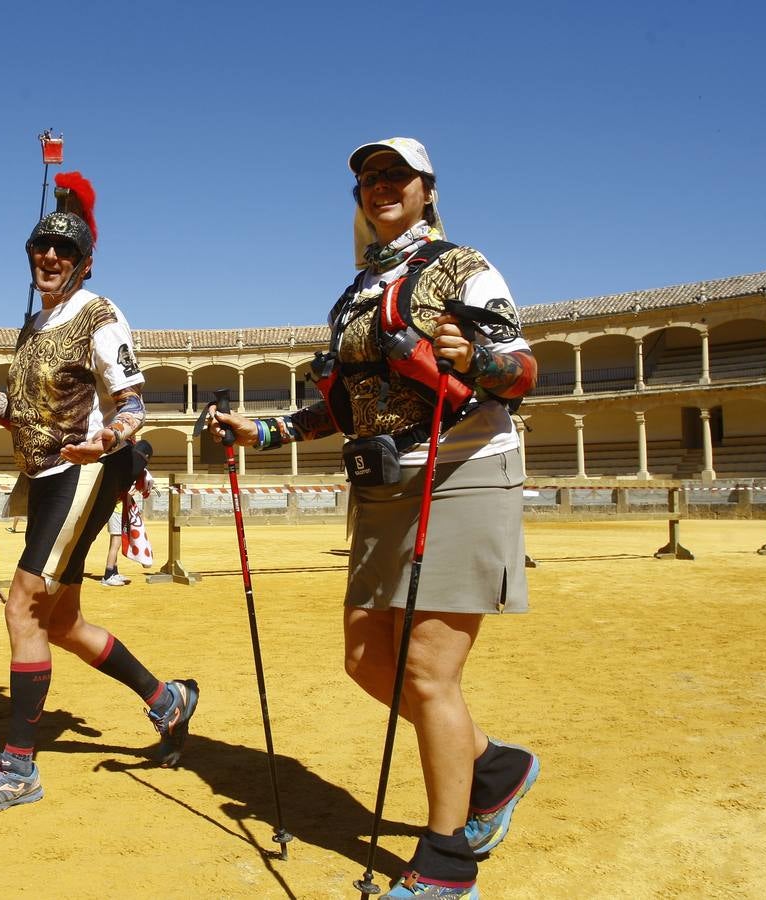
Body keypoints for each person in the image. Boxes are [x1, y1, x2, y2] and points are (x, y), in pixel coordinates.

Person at [210, 138, 539, 899]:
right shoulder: (356, 293)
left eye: (397, 176)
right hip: (384, 484)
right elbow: (340, 401)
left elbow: (520, 369)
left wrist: (470, 359)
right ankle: (492, 766)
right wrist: (263, 433)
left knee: (428, 672)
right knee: (365, 659)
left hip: (460, 471)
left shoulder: (464, 267)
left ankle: (448, 860)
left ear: (428, 189)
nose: (380, 186)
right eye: (368, 178)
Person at [0, 172, 197, 816]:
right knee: (63, 620)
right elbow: (15, 411)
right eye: (40, 246)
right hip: (46, 476)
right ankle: (167, 700)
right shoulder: (35, 326)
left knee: (23, 608)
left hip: (86, 470)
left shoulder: (100, 314)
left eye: (63, 250)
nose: (49, 256)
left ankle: (19, 766)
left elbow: (132, 404)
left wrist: (104, 444)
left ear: (84, 262)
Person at [100, 438, 155, 586]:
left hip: (116, 504)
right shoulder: (131, 467)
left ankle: (114, 572)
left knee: (116, 539)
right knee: (116, 540)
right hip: (116, 506)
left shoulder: (123, 464)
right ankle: (108, 574)